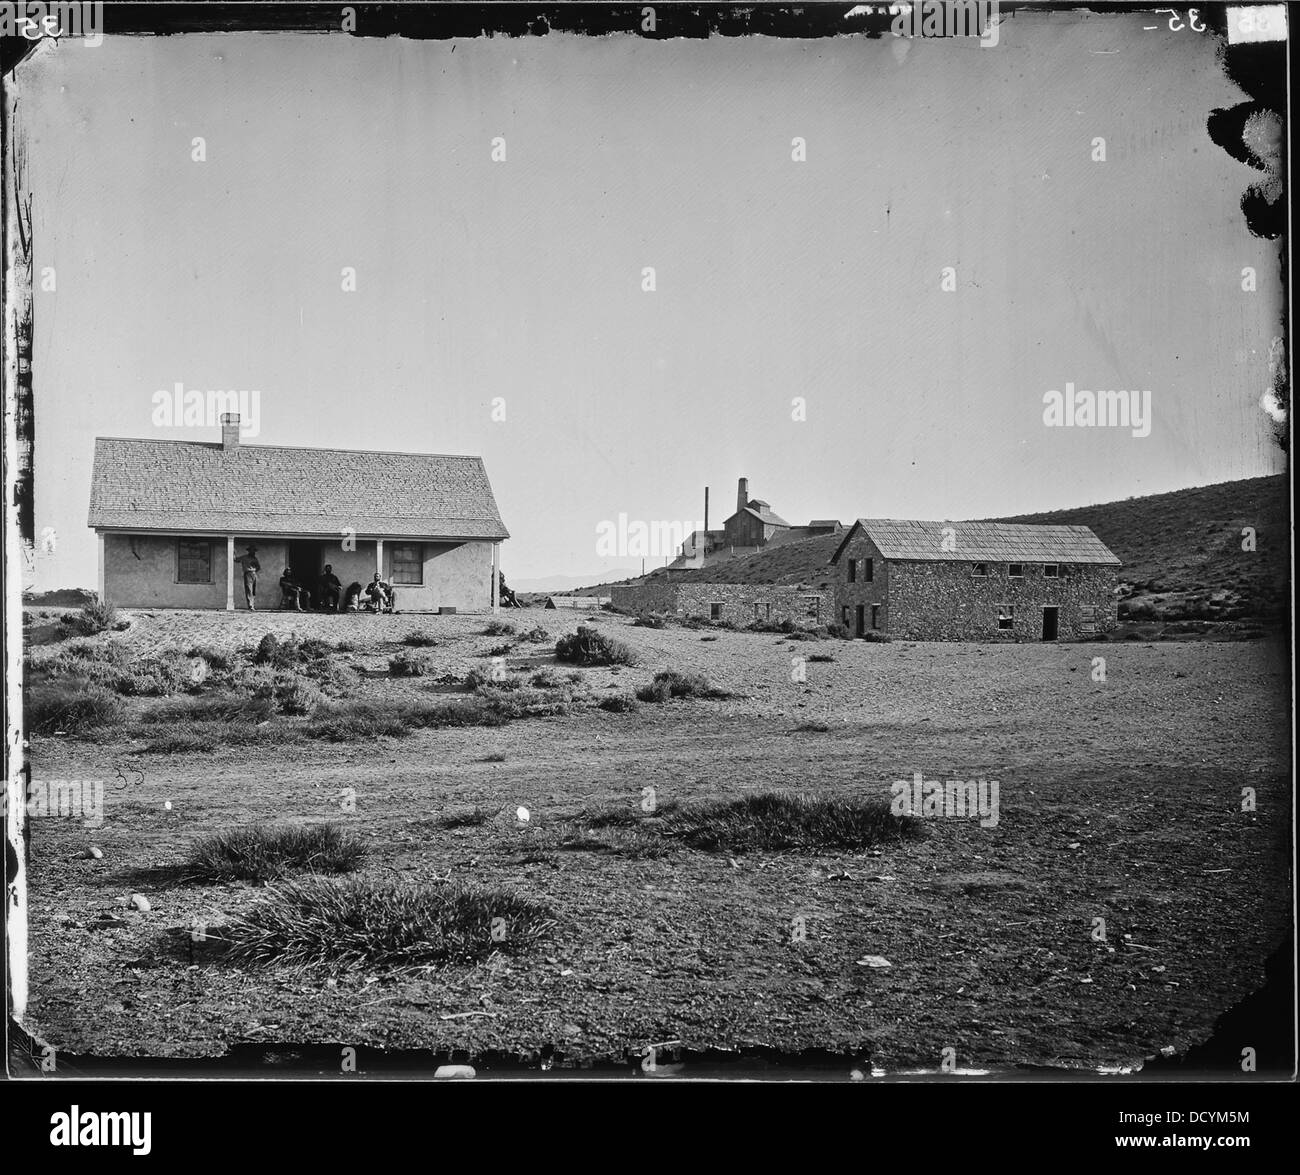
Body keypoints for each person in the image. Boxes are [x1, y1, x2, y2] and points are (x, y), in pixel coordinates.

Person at [233, 545, 260, 610]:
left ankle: (252, 605)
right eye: (251, 550)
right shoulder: (244, 557)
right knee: (249, 590)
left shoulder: (255, 559)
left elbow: (258, 567)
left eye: (254, 551)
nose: (253, 552)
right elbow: (236, 559)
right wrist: (233, 553)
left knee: (253, 590)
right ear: (249, 551)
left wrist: (254, 570)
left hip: (254, 574)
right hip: (247, 574)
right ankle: (250, 606)